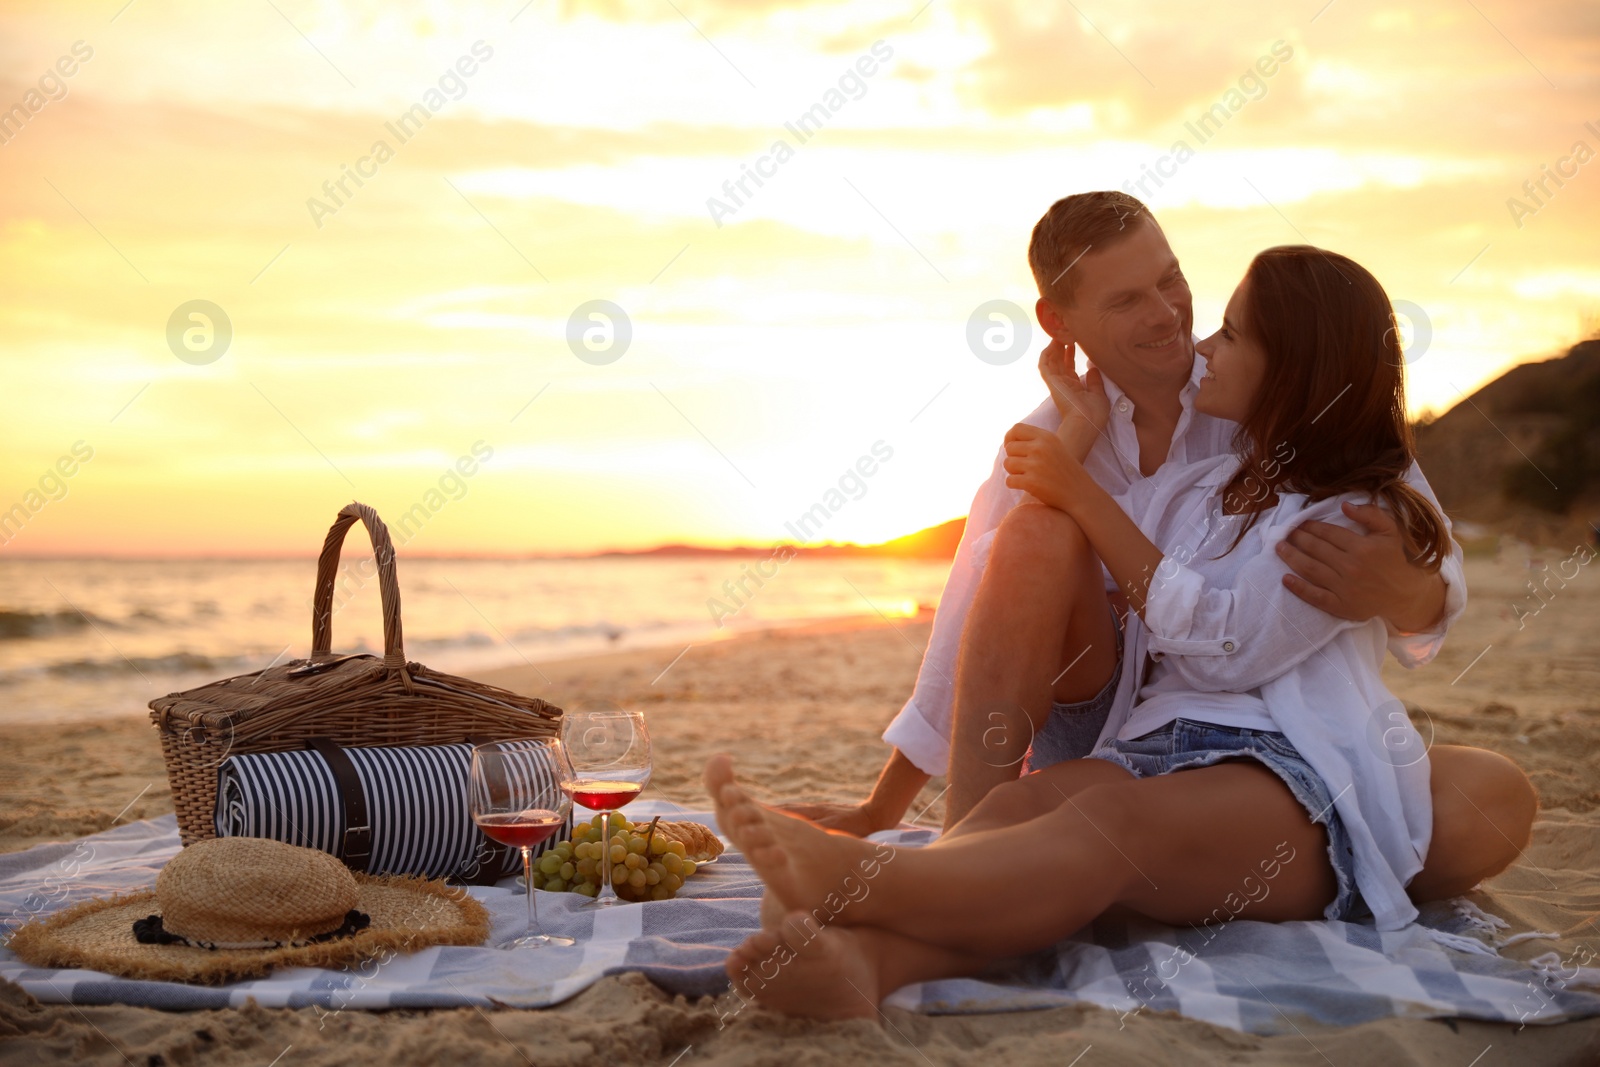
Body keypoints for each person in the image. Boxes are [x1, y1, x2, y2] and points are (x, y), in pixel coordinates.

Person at [707, 245, 1539, 1020]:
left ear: (1293, 374)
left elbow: (1228, 642)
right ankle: (871, 963)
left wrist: (1414, 587)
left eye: (1221, 321)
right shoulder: (1202, 487)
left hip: (1282, 765)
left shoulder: (1346, 507)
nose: (1192, 331)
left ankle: (862, 879)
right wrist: (1073, 446)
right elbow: (998, 603)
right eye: (1129, 299)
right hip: (1144, 740)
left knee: (1106, 835)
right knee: (1023, 804)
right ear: (1064, 324)